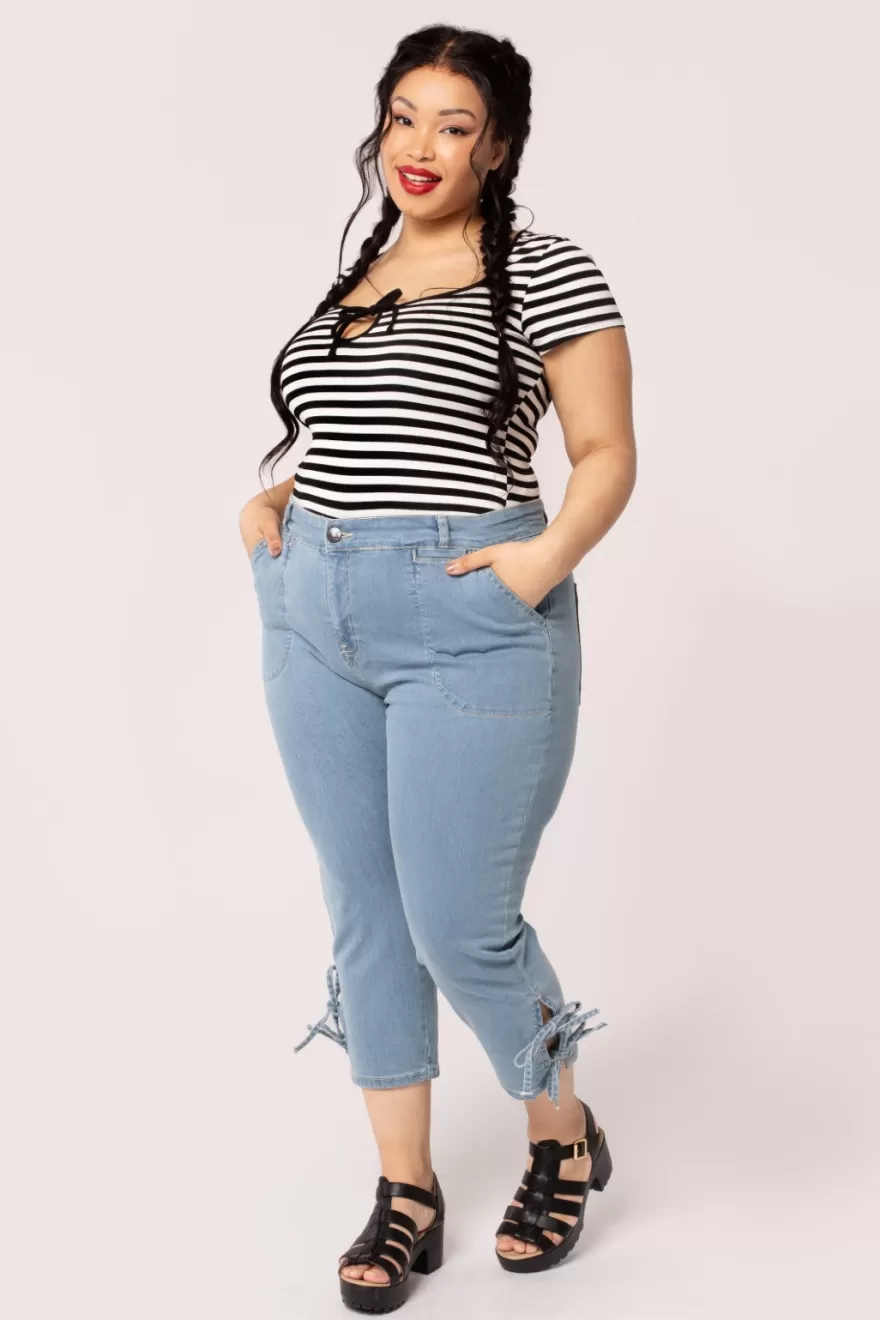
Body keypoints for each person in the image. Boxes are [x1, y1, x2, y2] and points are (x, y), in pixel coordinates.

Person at [238, 23, 635, 1312]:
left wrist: (540, 562)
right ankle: (406, 1189)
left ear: (497, 146)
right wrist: (272, 504)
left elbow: (606, 452)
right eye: (404, 117)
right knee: (366, 911)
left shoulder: (547, 270)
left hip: (469, 618)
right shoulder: (358, 273)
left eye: (453, 125)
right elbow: (355, 428)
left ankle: (560, 1131)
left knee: (459, 922)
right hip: (313, 617)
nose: (420, 146)